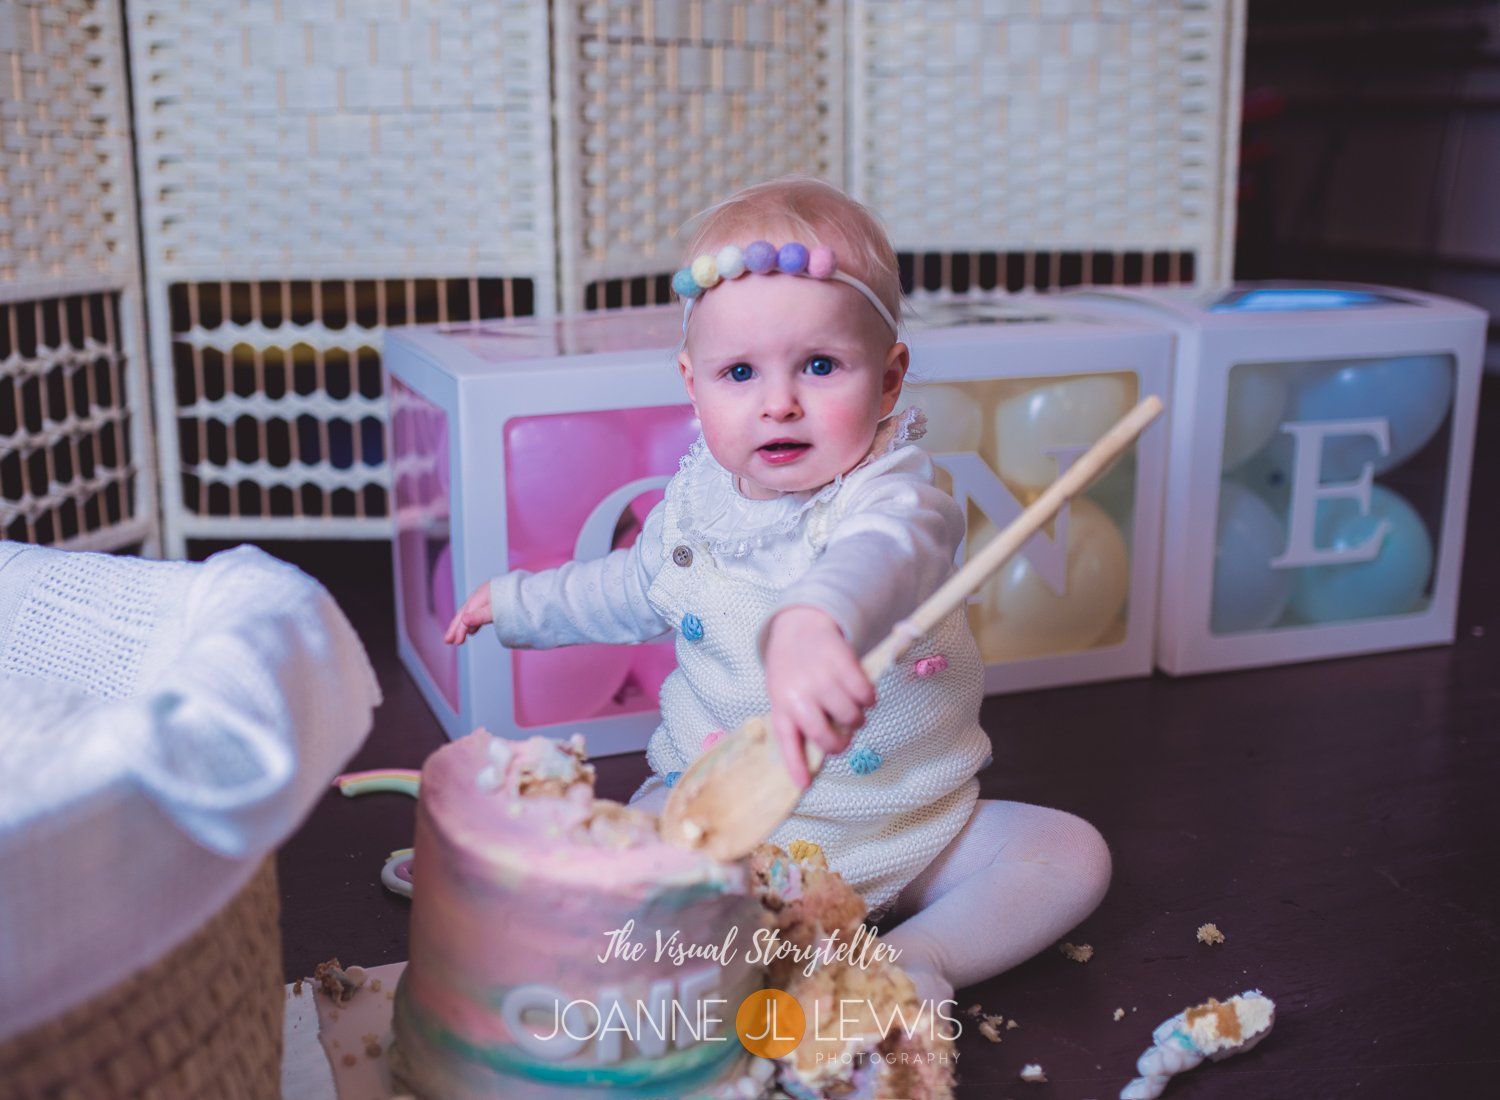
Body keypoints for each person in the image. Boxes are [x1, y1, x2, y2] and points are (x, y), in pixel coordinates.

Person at [445, 176, 1111, 1005]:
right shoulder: (694, 507)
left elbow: (879, 557)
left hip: (911, 828)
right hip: (721, 818)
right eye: (739, 373)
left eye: (821, 365)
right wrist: (517, 605)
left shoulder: (897, 497)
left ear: (890, 379)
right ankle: (702, 949)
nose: (779, 404)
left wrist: (813, 620)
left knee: (1068, 854)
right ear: (692, 386)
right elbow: (623, 589)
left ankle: (918, 958)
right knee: (624, 875)